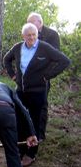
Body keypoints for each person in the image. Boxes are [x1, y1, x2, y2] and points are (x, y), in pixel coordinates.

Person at [3, 23, 70, 167]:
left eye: (34, 35)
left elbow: (64, 61)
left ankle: (31, 153)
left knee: (35, 121)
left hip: (38, 92)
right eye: (28, 35)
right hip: (21, 91)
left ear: (37, 34)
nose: (32, 37)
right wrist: (13, 75)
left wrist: (47, 76)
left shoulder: (44, 48)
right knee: (19, 119)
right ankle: (20, 149)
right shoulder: (18, 47)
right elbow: (6, 59)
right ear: (23, 36)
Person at [27, 12, 61, 140]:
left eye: (31, 22)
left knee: (41, 105)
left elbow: (56, 58)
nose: (28, 25)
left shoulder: (52, 35)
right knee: (27, 104)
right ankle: (29, 132)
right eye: (27, 22)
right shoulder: (29, 34)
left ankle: (39, 135)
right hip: (29, 77)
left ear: (39, 22)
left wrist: (46, 75)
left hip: (43, 77)